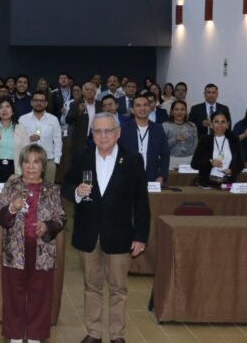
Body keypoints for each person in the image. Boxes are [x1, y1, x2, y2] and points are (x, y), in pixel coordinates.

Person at [63, 113, 150, 343]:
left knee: (118, 289)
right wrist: (76, 192)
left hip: (120, 235)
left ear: (118, 133)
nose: (103, 135)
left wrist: (141, 236)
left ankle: (117, 335)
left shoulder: (132, 160)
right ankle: (93, 333)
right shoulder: (81, 156)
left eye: (108, 130)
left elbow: (141, 201)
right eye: (98, 131)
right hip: (88, 233)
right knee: (91, 286)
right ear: (92, 134)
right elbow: (66, 186)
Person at [0, 144, 66, 342]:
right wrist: (11, 209)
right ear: (21, 164)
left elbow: (61, 218)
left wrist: (47, 226)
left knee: (40, 297)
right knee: (13, 297)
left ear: (43, 166)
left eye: (36, 162)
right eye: (26, 162)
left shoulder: (52, 189)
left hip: (43, 251)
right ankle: (15, 338)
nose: (31, 166)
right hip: (14, 251)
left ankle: (35, 337)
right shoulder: (11, 186)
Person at [118, 94, 170, 183]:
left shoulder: (158, 129)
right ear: (132, 110)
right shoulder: (123, 129)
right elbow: (118, 155)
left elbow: (165, 155)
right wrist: (121, 169)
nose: (142, 108)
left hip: (152, 178)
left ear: (149, 108)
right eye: (138, 105)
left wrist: (162, 175)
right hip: (127, 177)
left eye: (145, 105)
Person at [17, 90, 62, 183]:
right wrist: (29, 138)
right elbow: (18, 139)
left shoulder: (53, 119)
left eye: (41, 101)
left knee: (48, 189)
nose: (39, 103)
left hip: (48, 161)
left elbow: (58, 140)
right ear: (31, 102)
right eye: (36, 100)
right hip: (28, 161)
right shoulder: (23, 119)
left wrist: (56, 160)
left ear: (46, 104)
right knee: (28, 187)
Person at [191, 111, 244, 186]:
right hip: (207, 183)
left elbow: (240, 163)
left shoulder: (234, 140)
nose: (220, 125)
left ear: (227, 125)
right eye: (216, 122)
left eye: (223, 122)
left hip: (228, 183)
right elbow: (194, 164)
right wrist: (211, 163)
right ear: (211, 124)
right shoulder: (204, 140)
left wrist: (232, 171)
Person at [65, 82, 103, 162]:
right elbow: (68, 120)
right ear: (82, 92)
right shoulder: (75, 104)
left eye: (92, 90)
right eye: (87, 90)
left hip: (98, 142)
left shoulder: (100, 105)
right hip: (80, 142)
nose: (89, 92)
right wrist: (78, 111)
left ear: (95, 92)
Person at [162, 100, 198, 169]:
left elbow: (195, 145)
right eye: (177, 109)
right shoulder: (165, 125)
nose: (179, 112)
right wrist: (175, 139)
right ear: (172, 112)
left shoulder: (192, 126)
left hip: (189, 160)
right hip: (171, 160)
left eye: (182, 109)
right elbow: (162, 146)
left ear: (186, 111)